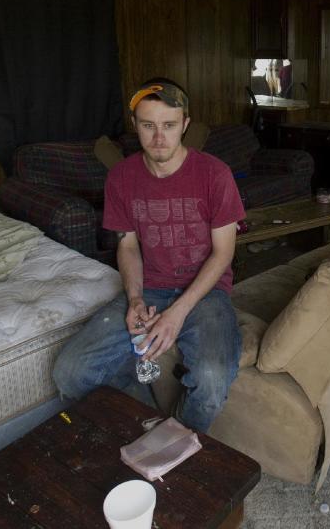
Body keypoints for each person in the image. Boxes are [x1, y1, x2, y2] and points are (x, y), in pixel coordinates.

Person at [53, 78, 244, 433]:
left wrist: (177, 314)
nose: (159, 137)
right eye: (148, 125)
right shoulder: (122, 176)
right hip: (150, 290)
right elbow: (127, 245)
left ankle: (177, 439)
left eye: (169, 126)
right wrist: (135, 298)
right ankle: (147, 423)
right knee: (70, 372)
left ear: (185, 125)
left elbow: (223, 254)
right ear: (135, 125)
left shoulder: (214, 174)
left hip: (206, 293)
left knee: (213, 380)